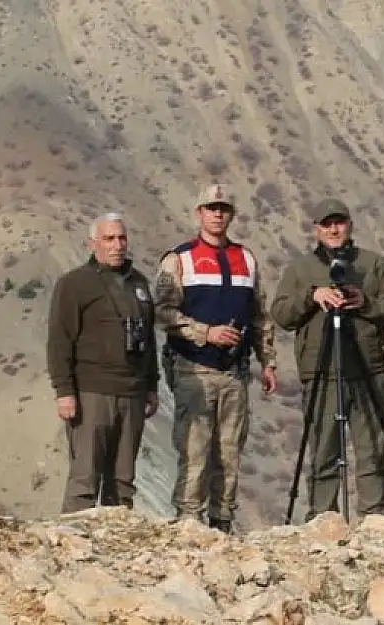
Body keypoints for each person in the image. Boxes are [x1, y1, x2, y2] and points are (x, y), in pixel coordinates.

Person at [270, 198, 384, 521]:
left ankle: (375, 518)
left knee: (371, 448)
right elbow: (281, 314)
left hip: (366, 368)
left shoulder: (372, 265)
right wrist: (311, 296)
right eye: (327, 223)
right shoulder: (301, 269)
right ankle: (322, 517)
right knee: (323, 450)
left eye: (339, 222)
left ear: (349, 225)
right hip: (321, 371)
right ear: (316, 229)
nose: (334, 229)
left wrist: (366, 302)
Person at [154, 183, 278, 533]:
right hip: (194, 368)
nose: (218, 213)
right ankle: (189, 521)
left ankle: (222, 521)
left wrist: (267, 360)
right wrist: (205, 332)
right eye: (211, 208)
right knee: (195, 449)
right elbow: (163, 312)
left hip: (234, 372)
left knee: (229, 452)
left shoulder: (246, 259)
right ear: (199, 213)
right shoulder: (180, 259)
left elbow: (259, 316)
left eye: (224, 208)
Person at [46, 213, 160, 513]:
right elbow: (59, 340)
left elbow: (149, 338)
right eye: (109, 238)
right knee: (86, 477)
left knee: (122, 481)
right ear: (92, 243)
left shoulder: (139, 284)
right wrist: (64, 391)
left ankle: (116, 552)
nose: (117, 245)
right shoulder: (75, 284)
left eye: (122, 237)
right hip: (92, 392)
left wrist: (152, 385)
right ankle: (73, 545)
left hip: (132, 393)